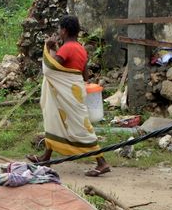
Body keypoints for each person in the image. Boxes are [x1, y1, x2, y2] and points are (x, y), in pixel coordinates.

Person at [27, 15, 111, 177]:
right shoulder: (81, 48)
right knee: (57, 118)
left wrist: (49, 47)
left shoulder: (67, 48)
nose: (58, 32)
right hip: (76, 91)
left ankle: (102, 162)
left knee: (80, 126)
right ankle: (46, 157)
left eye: (59, 29)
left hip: (68, 93)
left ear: (64, 30)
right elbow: (85, 76)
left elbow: (51, 68)